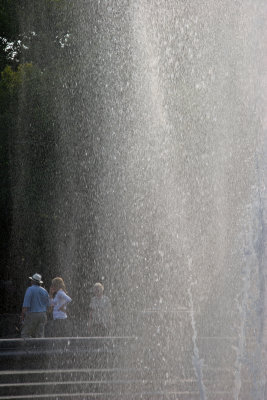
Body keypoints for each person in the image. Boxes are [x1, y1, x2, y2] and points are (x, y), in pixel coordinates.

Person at [21, 273, 49, 338]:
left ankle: (27, 347)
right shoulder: (44, 290)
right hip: (42, 314)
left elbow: (25, 305)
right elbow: (48, 304)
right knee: (40, 335)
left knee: (25, 334)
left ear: (33, 281)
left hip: (32, 314)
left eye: (31, 280)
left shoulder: (30, 289)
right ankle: (40, 347)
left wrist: (22, 317)